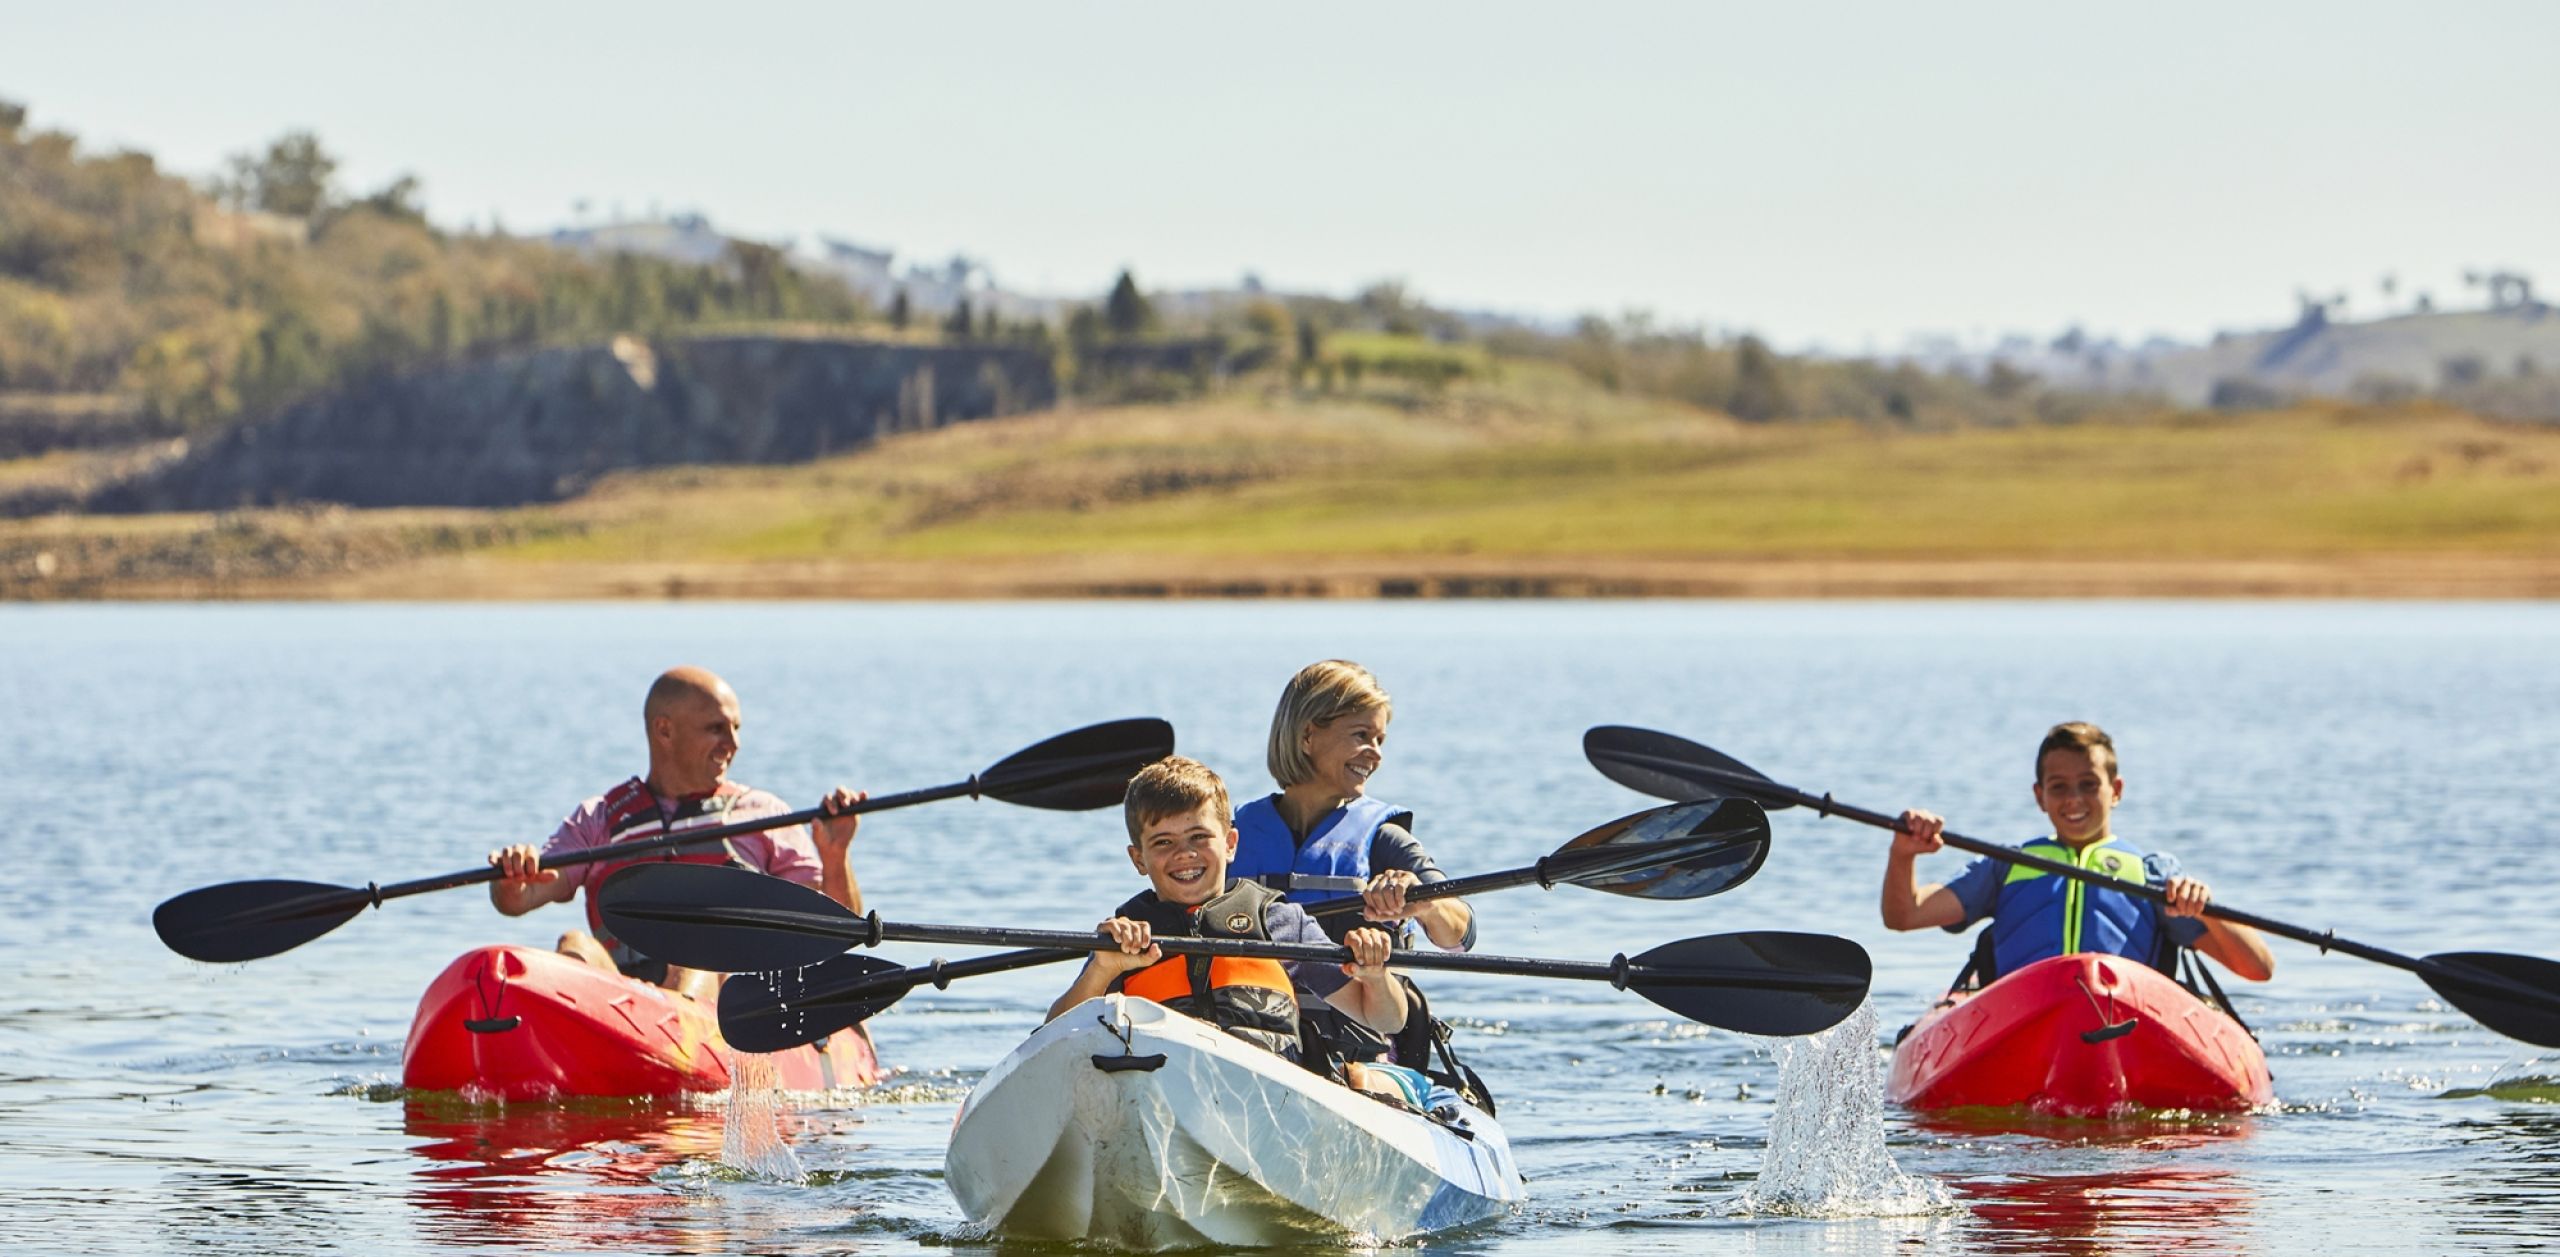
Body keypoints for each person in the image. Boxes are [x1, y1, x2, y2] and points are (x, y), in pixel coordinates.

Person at [486, 666, 868, 1003]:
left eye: (736, 729)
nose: (733, 745)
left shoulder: (765, 816)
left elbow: (836, 934)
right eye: (716, 729)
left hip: (723, 1010)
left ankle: (676, 1035)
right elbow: (519, 899)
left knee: (694, 956)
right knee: (574, 944)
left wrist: (836, 855)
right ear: (664, 730)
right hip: (620, 1002)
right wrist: (512, 875)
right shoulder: (600, 818)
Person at [1046, 755, 1408, 1071]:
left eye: (1199, 837)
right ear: (1138, 859)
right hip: (1161, 1085)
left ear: (1230, 844)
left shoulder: (1278, 920)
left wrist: (1376, 976)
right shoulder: (1125, 935)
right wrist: (1102, 969)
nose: (1184, 853)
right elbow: (1052, 1041)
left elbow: (1385, 1019)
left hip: (1268, 1094)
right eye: (1163, 842)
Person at [1880, 721, 2274, 984]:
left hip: (2125, 1020)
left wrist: (2205, 907)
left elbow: (2258, 969)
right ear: (2040, 796)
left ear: (2115, 791)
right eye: (2059, 787)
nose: (2074, 800)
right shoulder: (2007, 867)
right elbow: (1904, 915)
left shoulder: (2152, 874)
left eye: (2089, 784)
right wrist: (1904, 855)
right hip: (2024, 1016)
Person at [1228, 660, 1473, 1066]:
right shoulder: (1231, 837)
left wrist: (1426, 904)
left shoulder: (1384, 839)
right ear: (1308, 735)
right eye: (1362, 735)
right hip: (1249, 1037)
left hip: (1358, 1050)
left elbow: (1461, 934)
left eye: (1380, 740)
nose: (1375, 754)